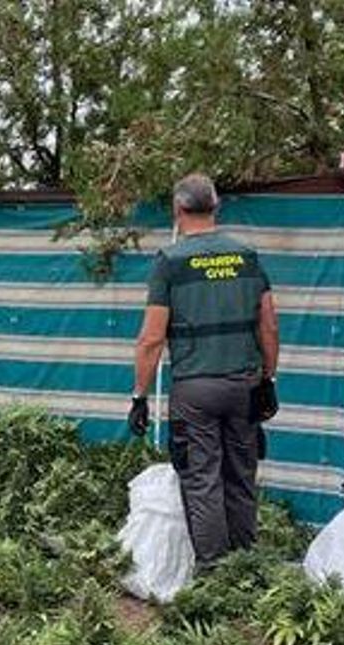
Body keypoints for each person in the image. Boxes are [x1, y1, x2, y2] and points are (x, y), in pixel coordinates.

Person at [129, 173, 280, 568]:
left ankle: (215, 571)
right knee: (241, 474)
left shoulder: (170, 263)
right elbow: (269, 325)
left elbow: (151, 338)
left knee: (202, 479)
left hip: (195, 390)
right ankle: (246, 566)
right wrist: (269, 379)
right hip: (244, 386)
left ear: (178, 210)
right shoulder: (247, 256)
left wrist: (139, 396)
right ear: (216, 207)